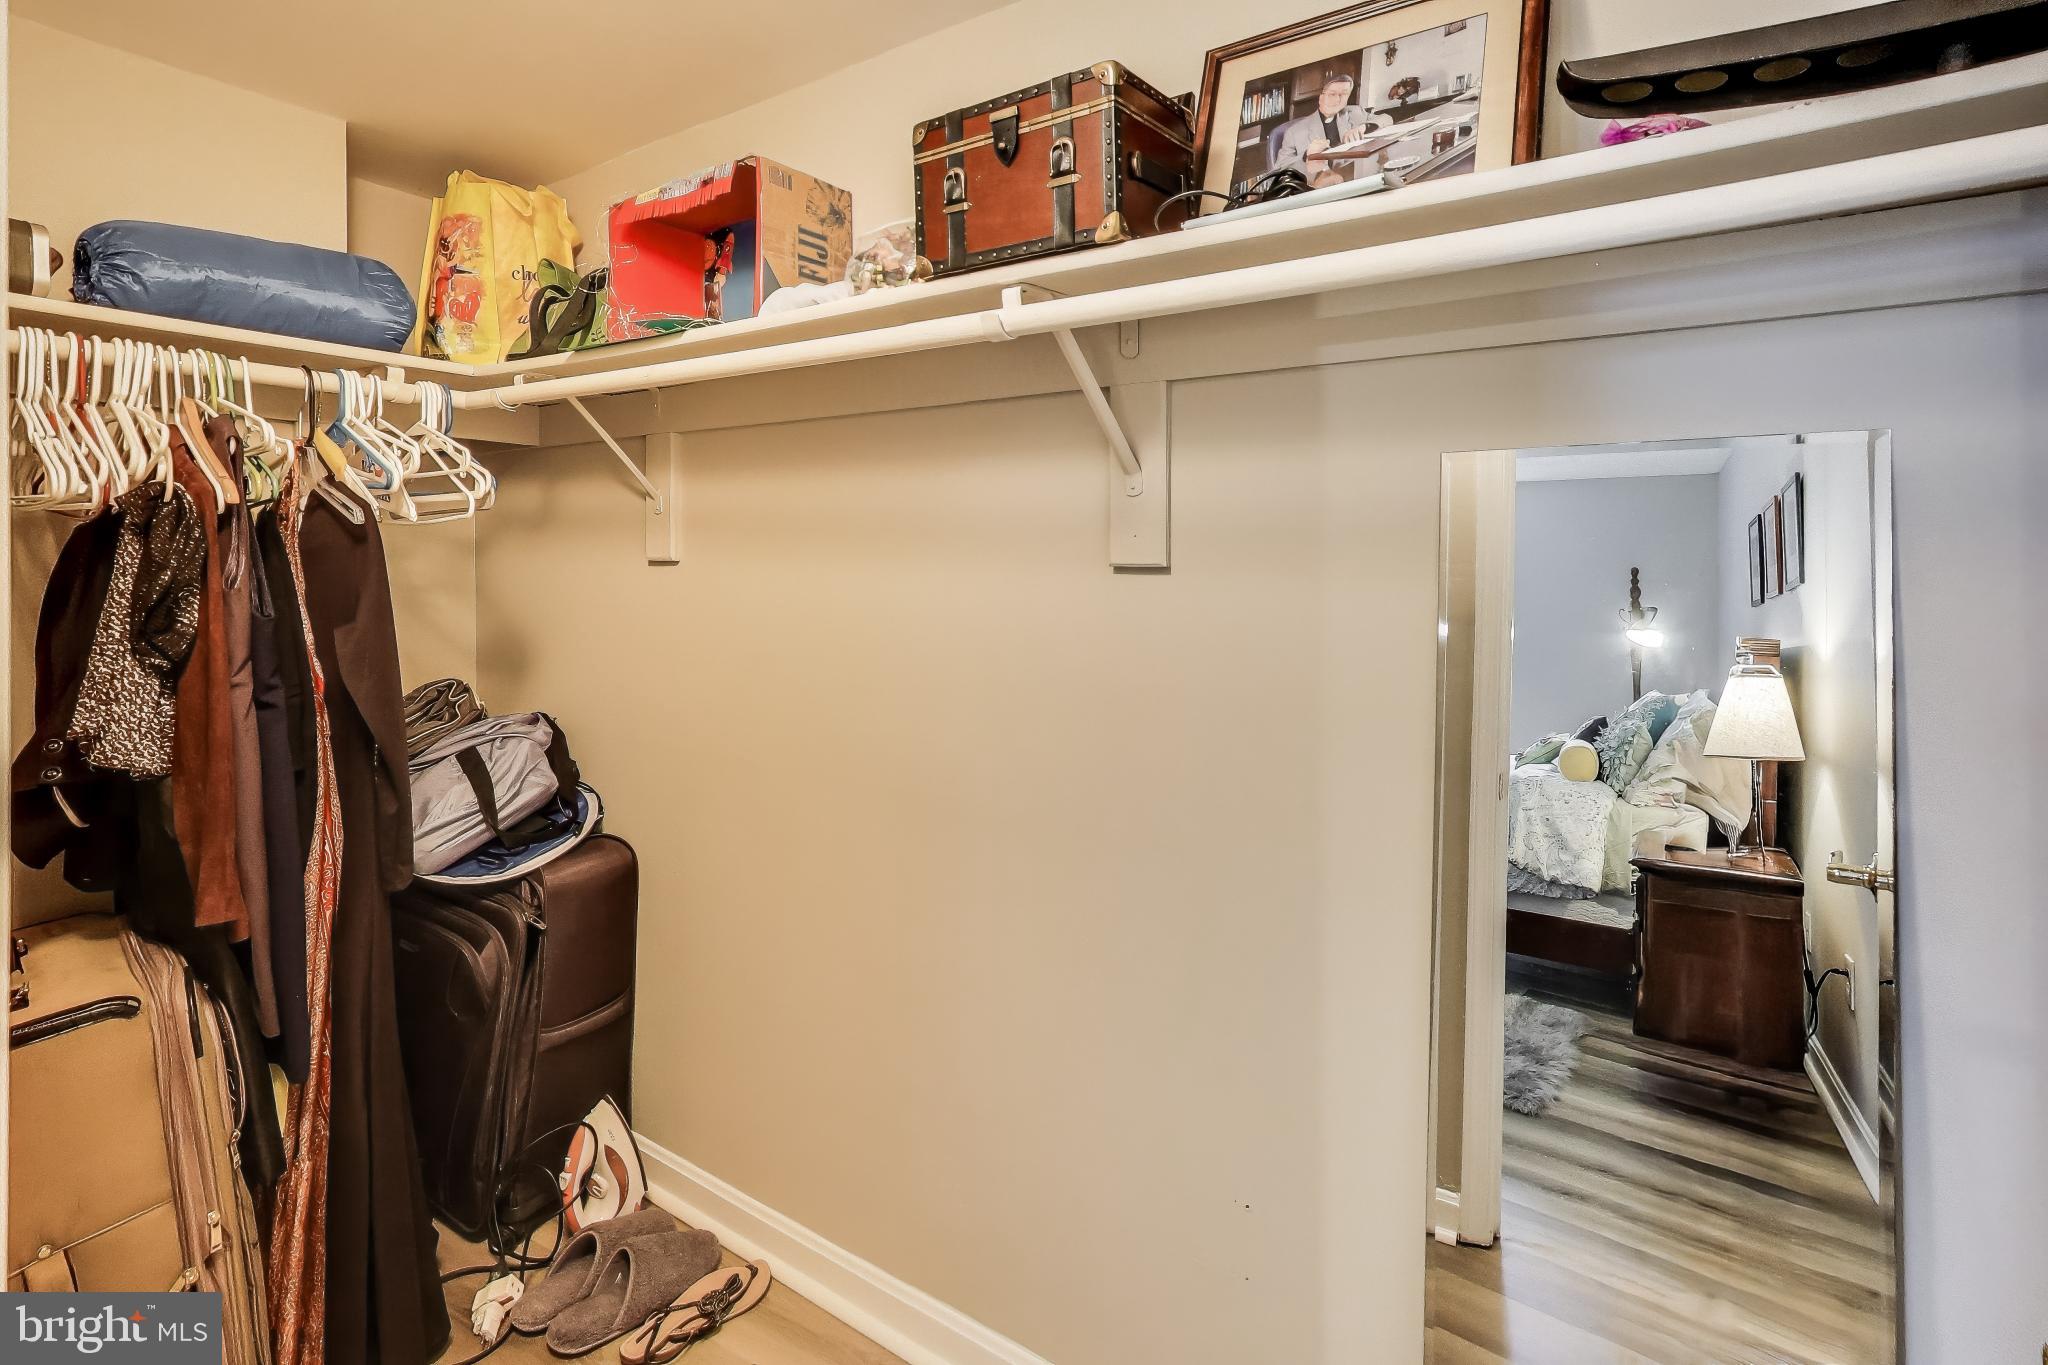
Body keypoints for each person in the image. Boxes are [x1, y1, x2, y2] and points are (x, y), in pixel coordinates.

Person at [1272, 74, 1385, 184]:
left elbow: (1386, 118)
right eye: (1332, 94)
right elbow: (1277, 173)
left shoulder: (1355, 112)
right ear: (1321, 97)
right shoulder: (1294, 132)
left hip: (1352, 181)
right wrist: (1306, 156)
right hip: (1316, 187)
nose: (1338, 100)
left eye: (1344, 94)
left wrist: (1364, 127)